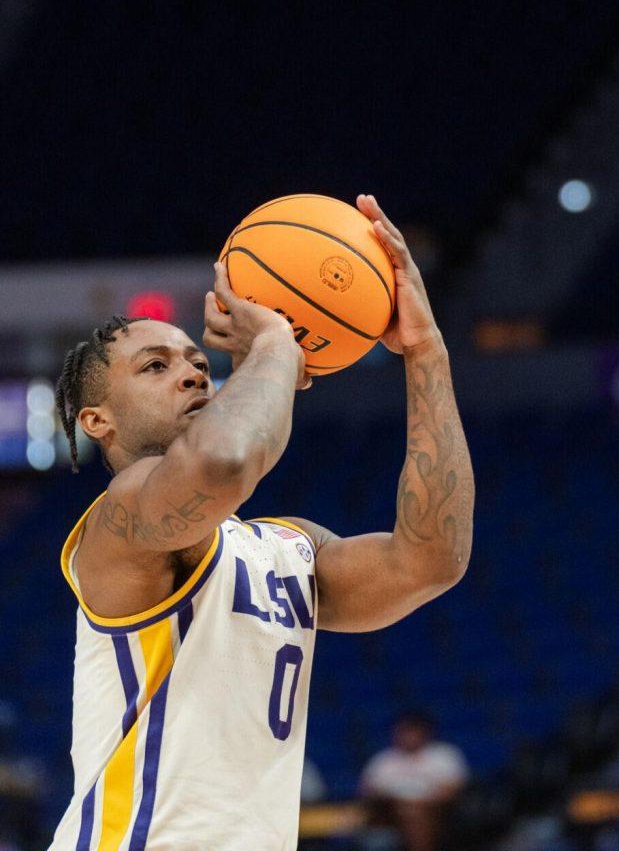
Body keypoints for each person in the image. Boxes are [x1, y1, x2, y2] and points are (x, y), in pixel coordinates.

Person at [46, 194, 474, 851]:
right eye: (155, 366)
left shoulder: (287, 547)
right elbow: (223, 461)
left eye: (195, 361)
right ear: (97, 422)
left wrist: (424, 350)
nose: (190, 373)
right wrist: (278, 341)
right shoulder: (120, 520)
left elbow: (431, 559)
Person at [359, 713, 469, 851]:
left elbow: (452, 790)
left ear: (425, 733)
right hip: (390, 810)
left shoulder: (443, 755)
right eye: (403, 732)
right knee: (407, 812)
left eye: (412, 732)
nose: (407, 736)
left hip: (436, 810)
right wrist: (401, 802)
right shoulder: (383, 760)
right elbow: (368, 791)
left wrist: (416, 803)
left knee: (415, 813)